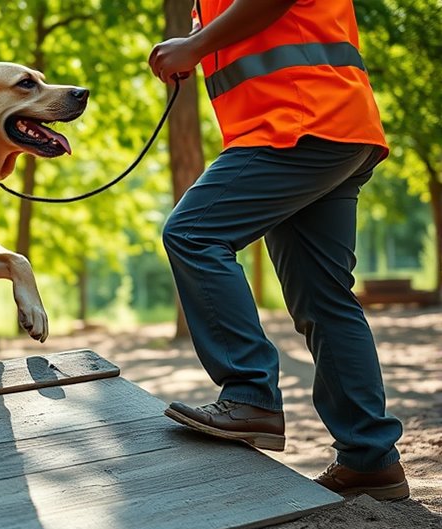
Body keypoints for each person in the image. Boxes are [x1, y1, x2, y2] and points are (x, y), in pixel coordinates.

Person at [148, 0, 408, 501]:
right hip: (328, 124)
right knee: (324, 299)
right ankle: (370, 460)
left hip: (297, 123)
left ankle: (251, 394)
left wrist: (194, 46)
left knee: (194, 234)